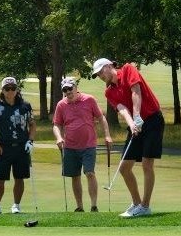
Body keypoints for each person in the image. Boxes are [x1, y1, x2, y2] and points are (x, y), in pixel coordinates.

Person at [92, 58, 165, 217]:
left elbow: (135, 91)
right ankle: (137, 203)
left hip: (152, 119)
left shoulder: (128, 69)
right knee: (124, 167)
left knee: (147, 164)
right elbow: (123, 109)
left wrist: (137, 116)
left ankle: (145, 206)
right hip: (136, 126)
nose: (100, 76)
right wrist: (132, 123)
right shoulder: (109, 92)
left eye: (100, 72)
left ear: (109, 66)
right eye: (97, 75)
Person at [53, 76, 112, 212]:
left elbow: (101, 118)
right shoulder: (61, 105)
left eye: (70, 88)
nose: (68, 92)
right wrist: (58, 137)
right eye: (65, 90)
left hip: (89, 144)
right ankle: (79, 207)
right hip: (70, 146)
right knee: (75, 176)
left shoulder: (89, 100)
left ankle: (93, 205)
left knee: (90, 172)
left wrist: (107, 135)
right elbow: (57, 124)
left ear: (76, 87)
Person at [0, 76, 36, 216]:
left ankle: (16, 205)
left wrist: (30, 141)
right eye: (7, 89)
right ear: (2, 90)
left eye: (13, 88)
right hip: (4, 148)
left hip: (21, 147)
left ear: (17, 90)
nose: (10, 91)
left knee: (19, 177)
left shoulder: (25, 106)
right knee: (0, 178)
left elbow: (32, 124)